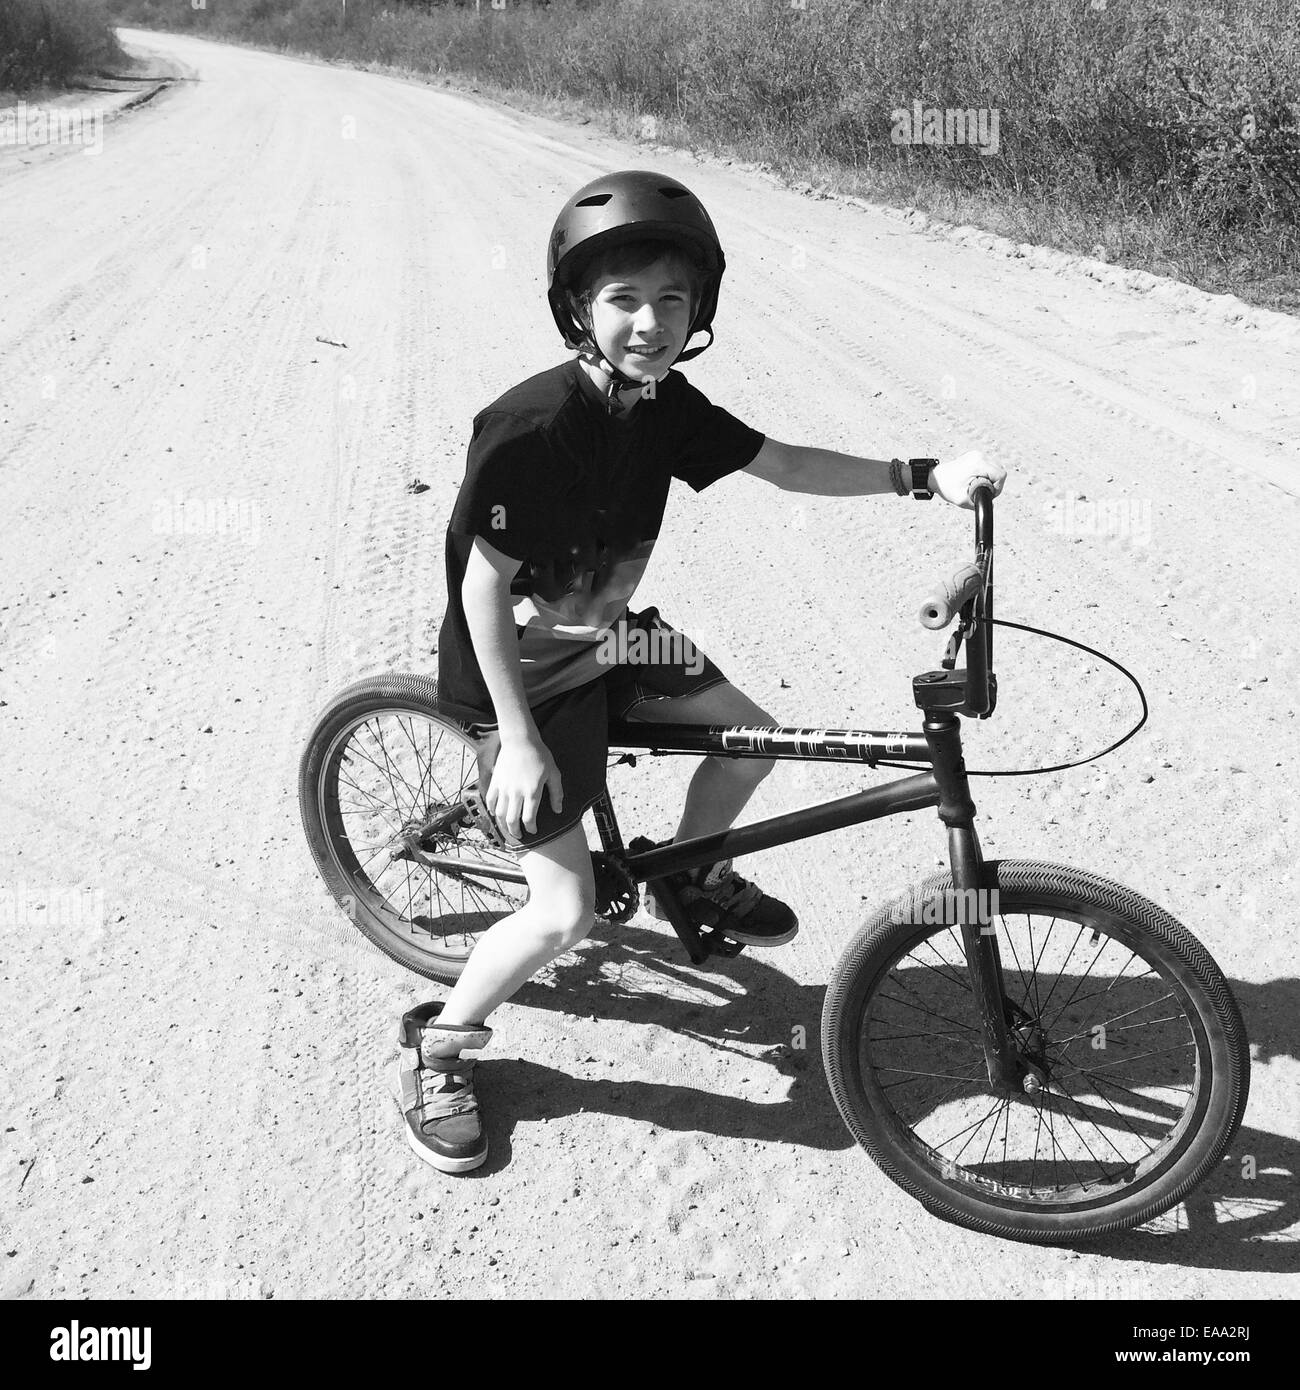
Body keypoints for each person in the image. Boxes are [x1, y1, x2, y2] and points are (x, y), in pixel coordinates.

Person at [396, 169, 1006, 1173]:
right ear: (578, 311)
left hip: (610, 639)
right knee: (561, 912)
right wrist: (511, 737)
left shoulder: (662, 406)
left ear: (699, 313)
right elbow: (478, 593)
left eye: (672, 301)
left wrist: (918, 475)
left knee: (747, 740)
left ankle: (693, 876)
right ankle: (439, 1046)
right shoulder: (529, 427)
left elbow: (780, 463)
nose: (650, 322)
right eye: (624, 299)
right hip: (524, 679)